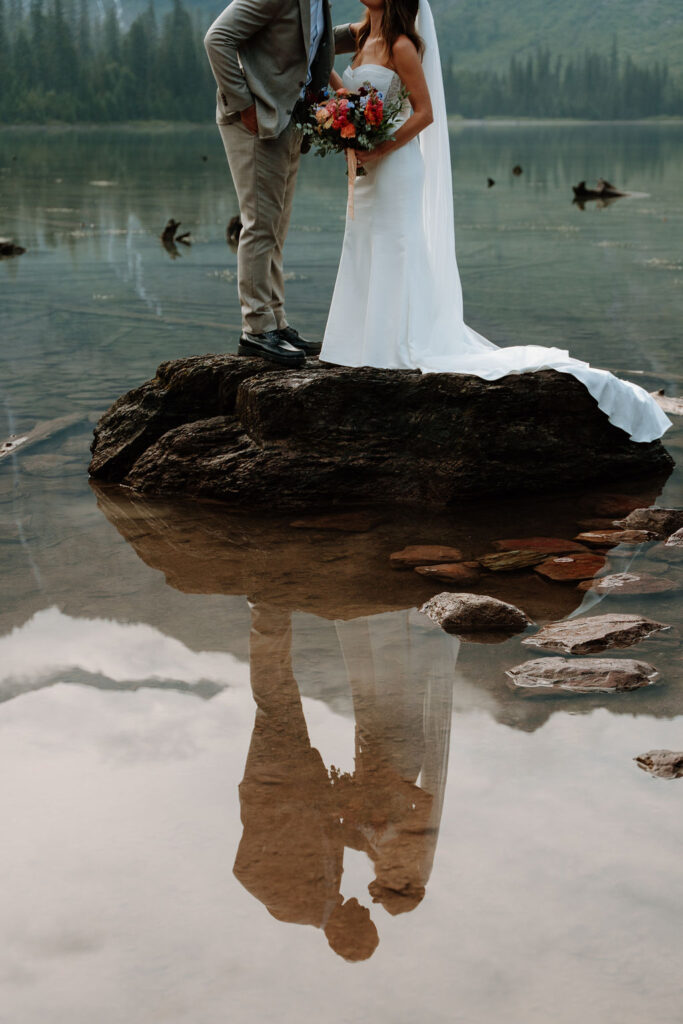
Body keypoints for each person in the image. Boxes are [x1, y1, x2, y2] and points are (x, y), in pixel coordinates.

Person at [320, 0, 672, 445]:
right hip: (365, 166)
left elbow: (424, 112)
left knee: (394, 244)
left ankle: (390, 345)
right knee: (363, 242)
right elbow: (348, 88)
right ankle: (358, 341)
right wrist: (342, 118)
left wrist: (382, 147)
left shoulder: (403, 45)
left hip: (395, 165)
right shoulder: (361, 38)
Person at [204, 1, 353, 367]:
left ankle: (276, 322)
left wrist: (357, 33)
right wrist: (245, 105)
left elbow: (308, 41)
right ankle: (255, 330)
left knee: (276, 226)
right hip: (256, 119)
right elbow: (217, 39)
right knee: (259, 223)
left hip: (288, 118)